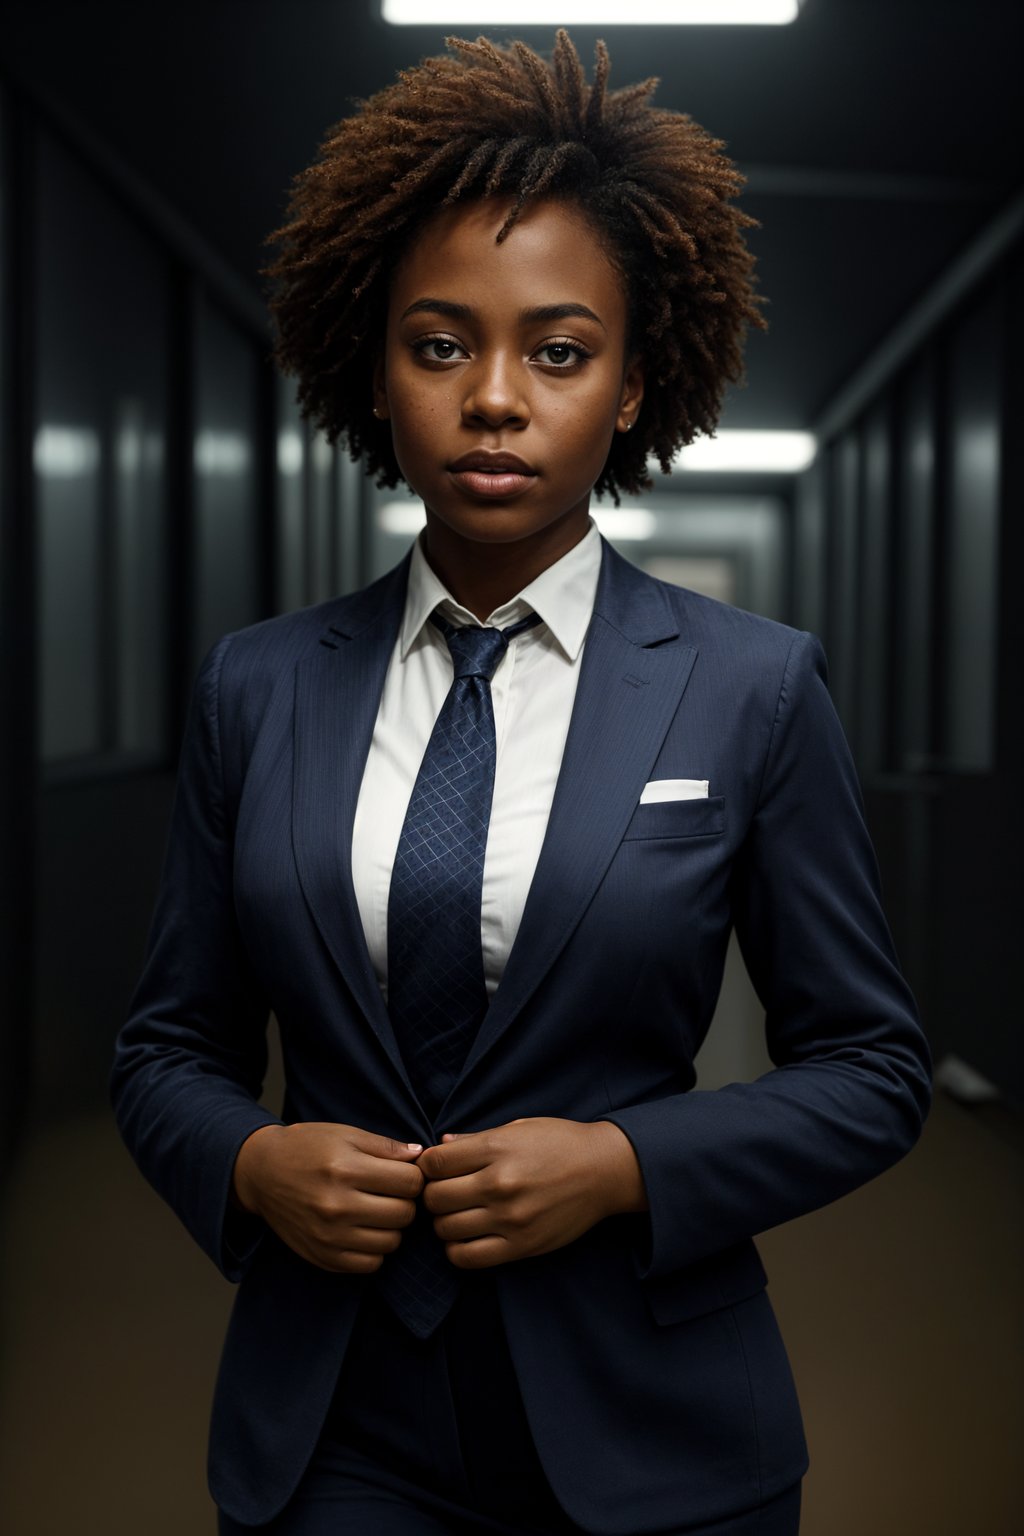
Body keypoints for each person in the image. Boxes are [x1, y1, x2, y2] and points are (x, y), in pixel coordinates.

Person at [110, 30, 931, 1536]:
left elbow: (872, 1073)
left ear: (631, 387)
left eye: (559, 351)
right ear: (377, 368)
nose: (496, 397)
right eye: (441, 345)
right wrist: (250, 1163)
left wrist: (627, 1164)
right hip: (332, 1417)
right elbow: (167, 1047)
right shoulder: (258, 685)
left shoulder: (752, 685)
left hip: (654, 1418)